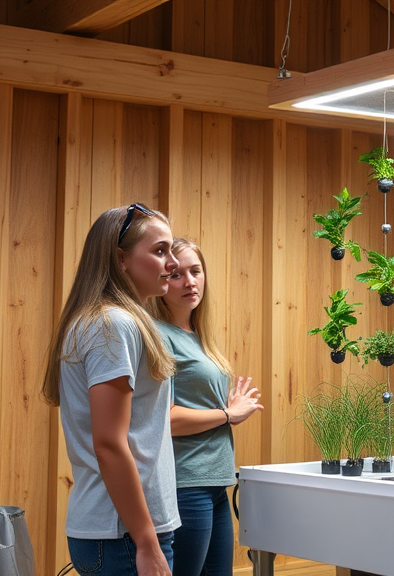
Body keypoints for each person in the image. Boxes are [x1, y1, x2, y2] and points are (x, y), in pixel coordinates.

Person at [42, 203, 180, 576]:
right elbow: (109, 444)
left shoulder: (117, 321)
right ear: (120, 259)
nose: (173, 263)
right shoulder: (112, 324)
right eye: (160, 250)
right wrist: (147, 543)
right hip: (123, 535)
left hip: (124, 531)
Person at [149, 238, 263, 576]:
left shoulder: (199, 337)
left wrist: (227, 409)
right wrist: (227, 414)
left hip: (215, 482)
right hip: (186, 483)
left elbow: (196, 405)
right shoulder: (159, 335)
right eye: (176, 274)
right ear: (161, 283)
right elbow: (165, 419)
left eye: (195, 271)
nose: (189, 282)